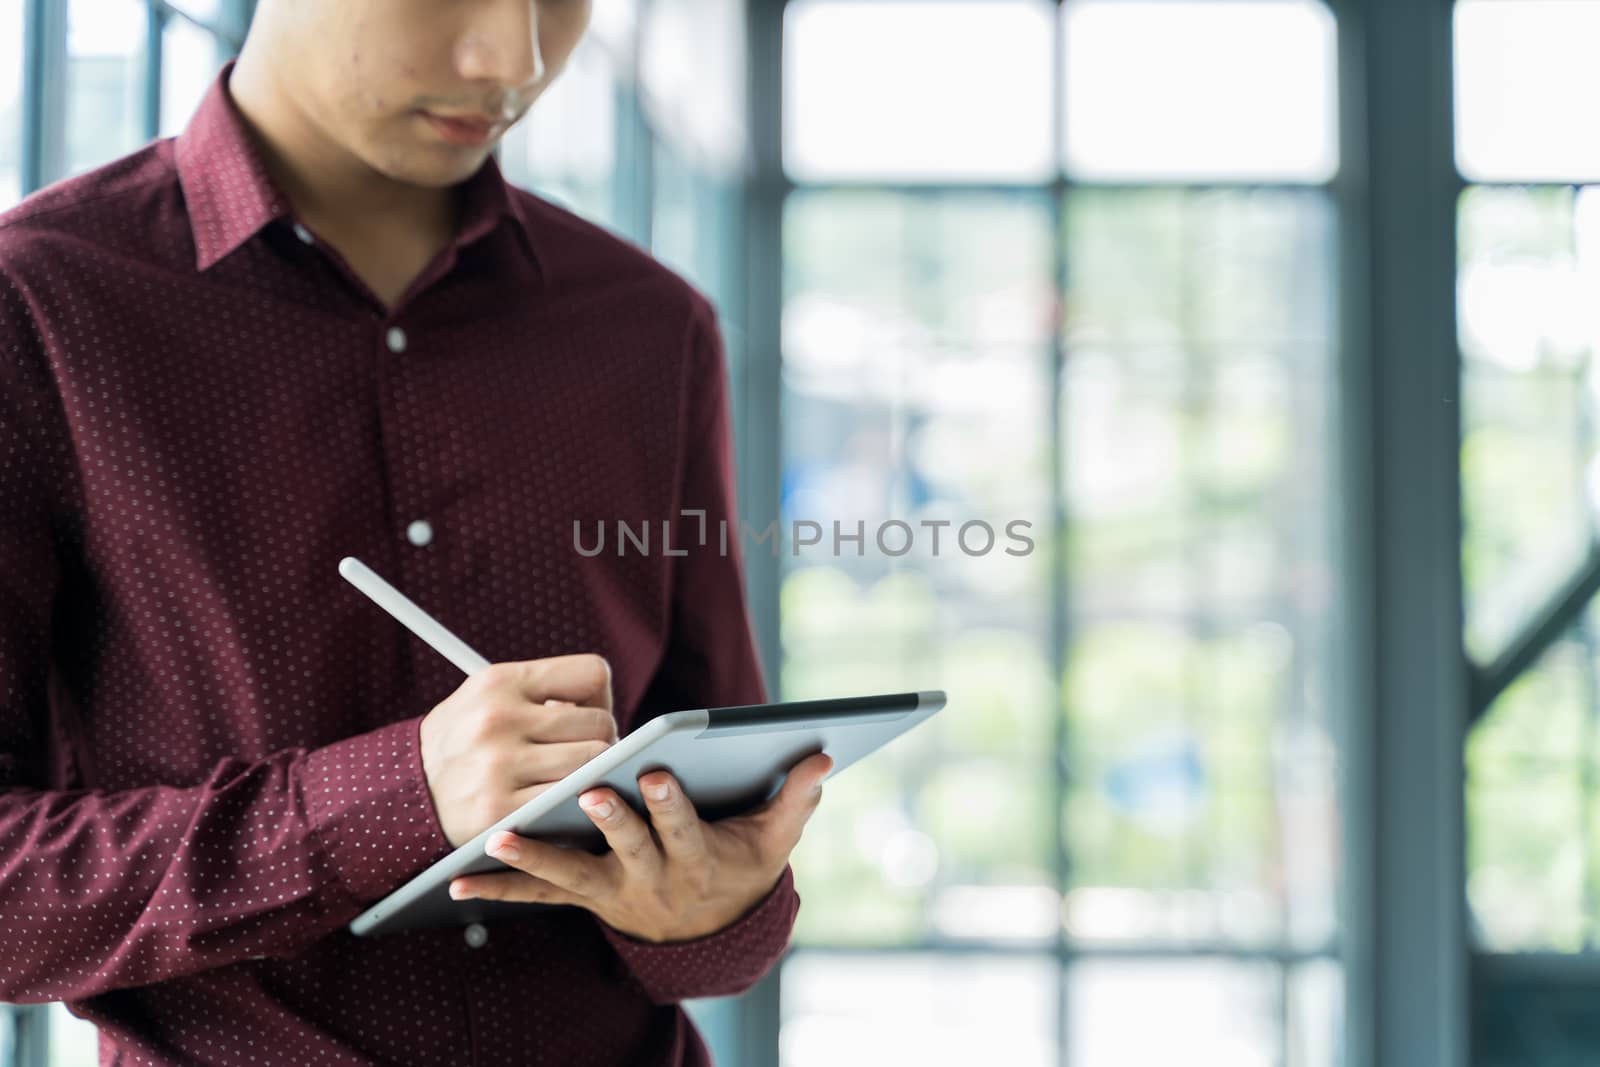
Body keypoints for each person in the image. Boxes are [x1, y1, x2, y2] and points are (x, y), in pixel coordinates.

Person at [0, 0, 832, 1063]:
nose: (515, 61)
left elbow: (709, 828)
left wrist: (710, 910)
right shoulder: (36, 305)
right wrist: (394, 797)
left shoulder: (650, 325)